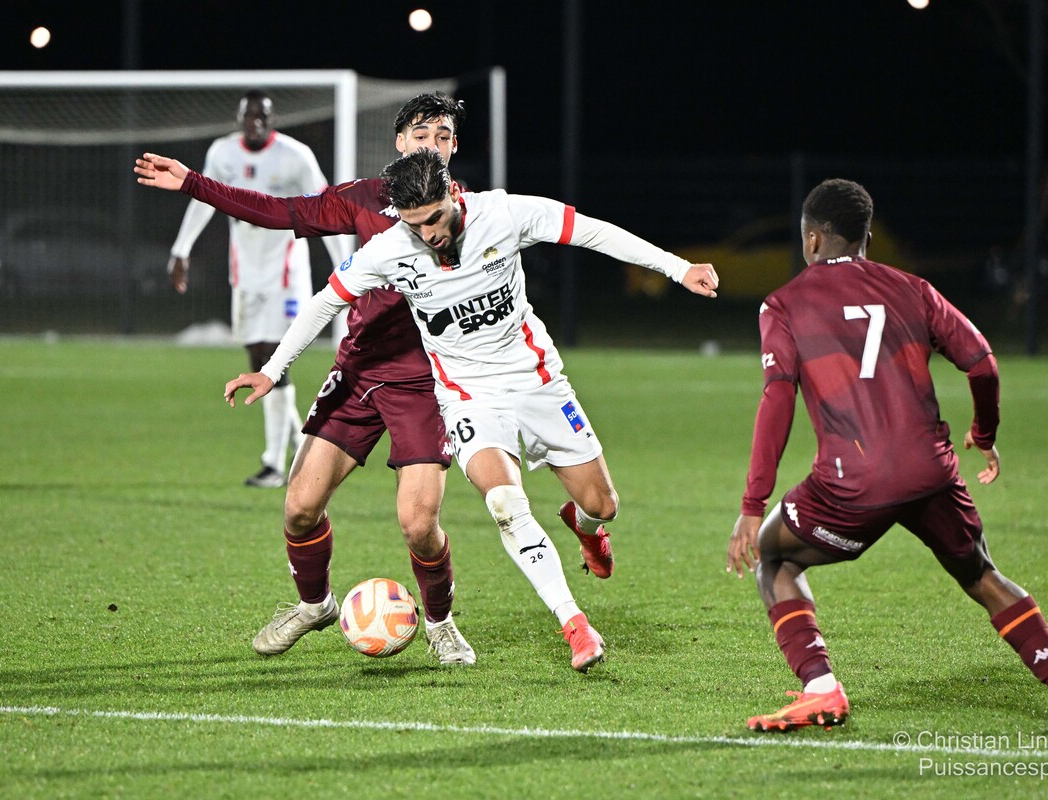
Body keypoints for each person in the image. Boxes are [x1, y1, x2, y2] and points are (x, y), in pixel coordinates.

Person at [225, 149, 720, 672]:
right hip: (467, 396)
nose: (428, 235)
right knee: (505, 502)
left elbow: (592, 232)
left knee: (603, 504)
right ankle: (575, 624)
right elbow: (326, 300)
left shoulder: (504, 214)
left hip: (537, 382)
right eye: (414, 225)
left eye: (434, 219)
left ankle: (584, 524)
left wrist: (678, 268)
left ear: (454, 195)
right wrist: (272, 370)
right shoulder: (391, 248)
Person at [726, 178, 1048, 734]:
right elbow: (982, 363)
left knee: (773, 555)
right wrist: (984, 431)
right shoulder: (913, 288)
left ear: (811, 240)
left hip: (851, 483)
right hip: (931, 472)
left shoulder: (783, 305)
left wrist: (752, 504)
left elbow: (777, 398)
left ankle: (820, 688)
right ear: (866, 239)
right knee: (982, 574)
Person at [136, 93, 476, 665]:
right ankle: (315, 604)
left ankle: (441, 624)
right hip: (359, 372)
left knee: (419, 525)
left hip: (425, 383)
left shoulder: (470, 212)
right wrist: (195, 184)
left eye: (442, 136)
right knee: (299, 506)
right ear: (400, 143)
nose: (432, 145)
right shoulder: (363, 199)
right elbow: (279, 211)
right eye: (421, 135)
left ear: (454, 146)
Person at [166, 88, 354, 489]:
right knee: (257, 357)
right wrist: (181, 249)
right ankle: (296, 442)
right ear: (238, 119)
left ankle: (274, 464)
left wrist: (349, 266)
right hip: (245, 273)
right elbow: (202, 199)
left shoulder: (295, 155)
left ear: (272, 120)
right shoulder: (222, 153)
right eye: (249, 116)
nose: (255, 122)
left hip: (285, 273)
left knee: (273, 358)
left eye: (262, 116)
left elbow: (330, 208)